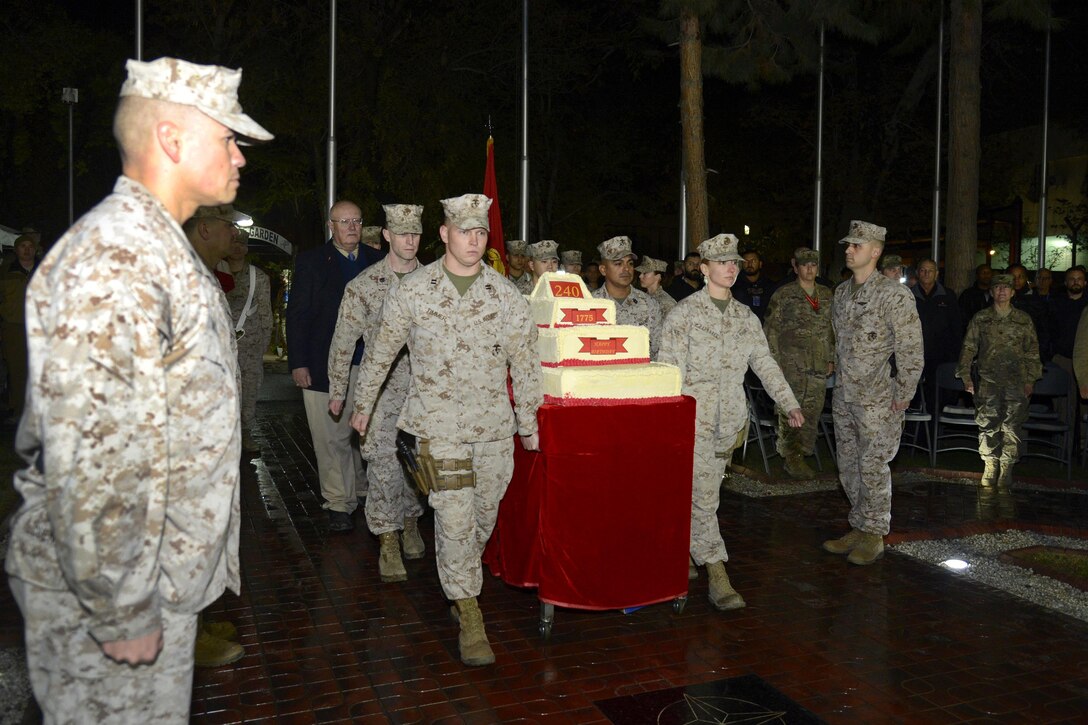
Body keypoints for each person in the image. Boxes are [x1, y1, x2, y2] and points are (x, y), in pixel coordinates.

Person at [4, 56, 272, 724]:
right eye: (227, 137)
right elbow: (91, 455)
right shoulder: (114, 259)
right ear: (173, 140)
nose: (240, 156)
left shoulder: (160, 250)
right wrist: (120, 605)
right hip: (111, 594)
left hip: (150, 582)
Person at [350, 193, 542, 667]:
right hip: (436, 433)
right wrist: (363, 405)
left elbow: (526, 362)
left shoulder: (505, 295)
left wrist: (529, 422)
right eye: (464, 232)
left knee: (482, 517)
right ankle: (470, 613)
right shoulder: (413, 291)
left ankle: (460, 583)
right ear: (444, 234)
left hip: (494, 432)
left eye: (481, 233)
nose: (474, 241)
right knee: (454, 519)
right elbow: (380, 353)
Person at [660, 233, 803, 610]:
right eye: (722, 262)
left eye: (734, 262)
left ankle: (689, 552)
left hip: (729, 424)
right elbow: (668, 372)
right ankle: (717, 571)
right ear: (704, 268)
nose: (730, 268)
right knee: (704, 498)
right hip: (692, 420)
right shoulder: (683, 315)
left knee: (705, 494)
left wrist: (788, 402)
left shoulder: (745, 318)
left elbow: (764, 363)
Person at [328, 204, 426, 583]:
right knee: (382, 461)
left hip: (423, 391)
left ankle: (411, 519)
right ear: (387, 235)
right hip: (381, 390)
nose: (409, 240)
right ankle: (387, 538)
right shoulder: (365, 285)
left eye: (415, 234)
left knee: (416, 462)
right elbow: (342, 341)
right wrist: (338, 389)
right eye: (402, 233)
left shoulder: (436, 283)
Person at [822, 220, 922, 566]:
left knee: (873, 465)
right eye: (847, 245)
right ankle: (859, 524)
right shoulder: (841, 292)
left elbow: (911, 349)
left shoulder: (893, 294)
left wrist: (904, 393)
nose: (848, 250)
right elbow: (838, 341)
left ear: (875, 251)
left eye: (856, 246)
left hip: (878, 398)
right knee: (848, 465)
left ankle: (876, 534)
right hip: (845, 394)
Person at [286, 200, 382, 533]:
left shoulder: (377, 260)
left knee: (360, 435)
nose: (352, 227)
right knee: (330, 437)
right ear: (331, 226)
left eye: (357, 221)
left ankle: (360, 490)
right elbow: (297, 315)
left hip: (369, 365)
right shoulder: (313, 262)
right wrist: (298, 363)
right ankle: (338, 502)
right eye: (344, 222)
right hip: (322, 364)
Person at [957, 274, 1041, 488]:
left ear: (1013, 292)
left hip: (1016, 381)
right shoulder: (981, 318)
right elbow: (969, 347)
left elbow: (1032, 351)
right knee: (988, 424)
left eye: (1006, 288)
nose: (1002, 291)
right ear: (991, 292)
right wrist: (966, 376)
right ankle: (990, 465)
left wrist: (1031, 379)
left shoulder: (1023, 319)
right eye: (998, 287)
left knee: (1012, 426)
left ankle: (1006, 468)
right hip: (988, 381)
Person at [763, 248, 834, 479]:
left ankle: (803, 452)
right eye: (805, 265)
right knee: (790, 411)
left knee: (812, 410)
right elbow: (770, 331)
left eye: (813, 264)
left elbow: (833, 330)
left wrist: (832, 357)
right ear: (796, 267)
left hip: (818, 365)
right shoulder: (783, 295)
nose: (810, 269)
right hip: (791, 365)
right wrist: (774, 363)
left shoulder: (826, 295)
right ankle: (791, 458)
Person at [221, 222, 273, 454]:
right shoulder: (214, 272)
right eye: (233, 243)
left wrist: (262, 347)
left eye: (241, 244)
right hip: (220, 348)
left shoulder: (258, 277)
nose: (237, 248)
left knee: (249, 394)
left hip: (249, 348)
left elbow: (265, 314)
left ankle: (246, 434)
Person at [592, 236, 663, 359]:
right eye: (618, 263)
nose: (626, 269)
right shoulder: (590, 305)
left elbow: (659, 351)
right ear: (603, 270)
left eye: (630, 263)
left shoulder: (649, 304)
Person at [912, 257, 962, 410]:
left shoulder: (948, 295)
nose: (926, 274)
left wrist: (955, 355)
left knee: (938, 399)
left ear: (937, 274)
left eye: (930, 271)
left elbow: (957, 326)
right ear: (917, 273)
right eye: (923, 270)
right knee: (914, 398)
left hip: (941, 357)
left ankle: (936, 430)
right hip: (914, 356)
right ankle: (915, 432)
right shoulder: (907, 295)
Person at [0, 233, 39, 419]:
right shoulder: (5, 272)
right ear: (16, 250)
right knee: (16, 370)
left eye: (29, 246)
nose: (27, 249)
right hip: (13, 327)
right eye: (22, 246)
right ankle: (18, 409)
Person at [1053, 266, 1088, 444]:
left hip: (1085, 363)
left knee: (1085, 407)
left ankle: (1083, 447)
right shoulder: (1056, 304)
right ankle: (1062, 445)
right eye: (1072, 278)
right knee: (1063, 406)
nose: (1076, 281)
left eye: (1079, 278)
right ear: (1066, 282)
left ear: (1085, 282)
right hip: (1063, 359)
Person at [1008, 263, 1051, 361]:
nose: (1017, 280)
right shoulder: (1001, 298)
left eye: (1021, 277)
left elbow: (1044, 330)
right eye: (1013, 277)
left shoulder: (1035, 300)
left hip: (1028, 353)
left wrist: (1041, 355)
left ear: (1026, 278)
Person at [733, 250, 777, 322]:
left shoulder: (770, 286)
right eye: (746, 261)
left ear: (760, 264)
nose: (749, 264)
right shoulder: (734, 286)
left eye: (753, 261)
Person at [959, 263, 993, 331]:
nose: (986, 275)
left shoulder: (997, 293)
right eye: (983, 273)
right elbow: (962, 317)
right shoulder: (968, 294)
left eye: (988, 273)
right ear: (977, 275)